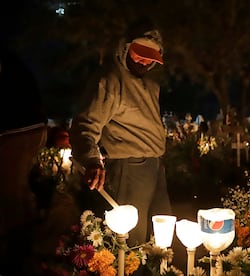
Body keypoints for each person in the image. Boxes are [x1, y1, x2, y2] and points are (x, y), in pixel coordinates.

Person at [69, 17, 172, 248]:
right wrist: (91, 159)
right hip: (129, 167)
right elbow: (85, 125)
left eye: (151, 56)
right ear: (125, 47)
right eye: (140, 52)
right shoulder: (110, 80)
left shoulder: (148, 83)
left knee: (160, 239)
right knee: (132, 241)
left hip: (154, 167)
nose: (144, 60)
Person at [0, 44, 48, 274]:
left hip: (16, 129)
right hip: (30, 125)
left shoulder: (7, 62)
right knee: (17, 189)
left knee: (11, 194)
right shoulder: (12, 59)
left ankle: (19, 257)